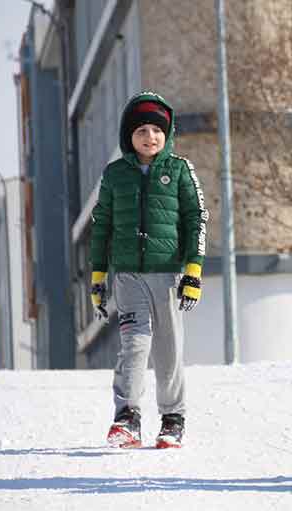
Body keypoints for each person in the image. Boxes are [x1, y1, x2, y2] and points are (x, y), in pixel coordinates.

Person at [89, 91, 209, 449]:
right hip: (127, 276)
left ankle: (173, 418)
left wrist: (193, 273)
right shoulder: (114, 175)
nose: (150, 137)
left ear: (167, 133)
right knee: (134, 345)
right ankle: (127, 417)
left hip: (169, 274)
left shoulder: (180, 170)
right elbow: (101, 226)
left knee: (169, 349)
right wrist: (98, 277)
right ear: (129, 135)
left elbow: (196, 220)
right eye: (141, 130)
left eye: (157, 130)